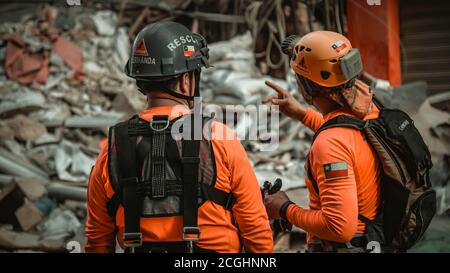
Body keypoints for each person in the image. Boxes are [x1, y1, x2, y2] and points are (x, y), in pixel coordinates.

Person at [85, 21, 273, 253]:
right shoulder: (219, 137)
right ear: (186, 80)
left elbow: (97, 240)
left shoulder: (112, 146)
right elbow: (255, 229)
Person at [263, 31, 382, 253]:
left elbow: (339, 228)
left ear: (306, 87)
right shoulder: (371, 111)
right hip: (377, 239)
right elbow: (347, 136)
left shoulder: (329, 145)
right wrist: (302, 114)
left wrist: (284, 209)